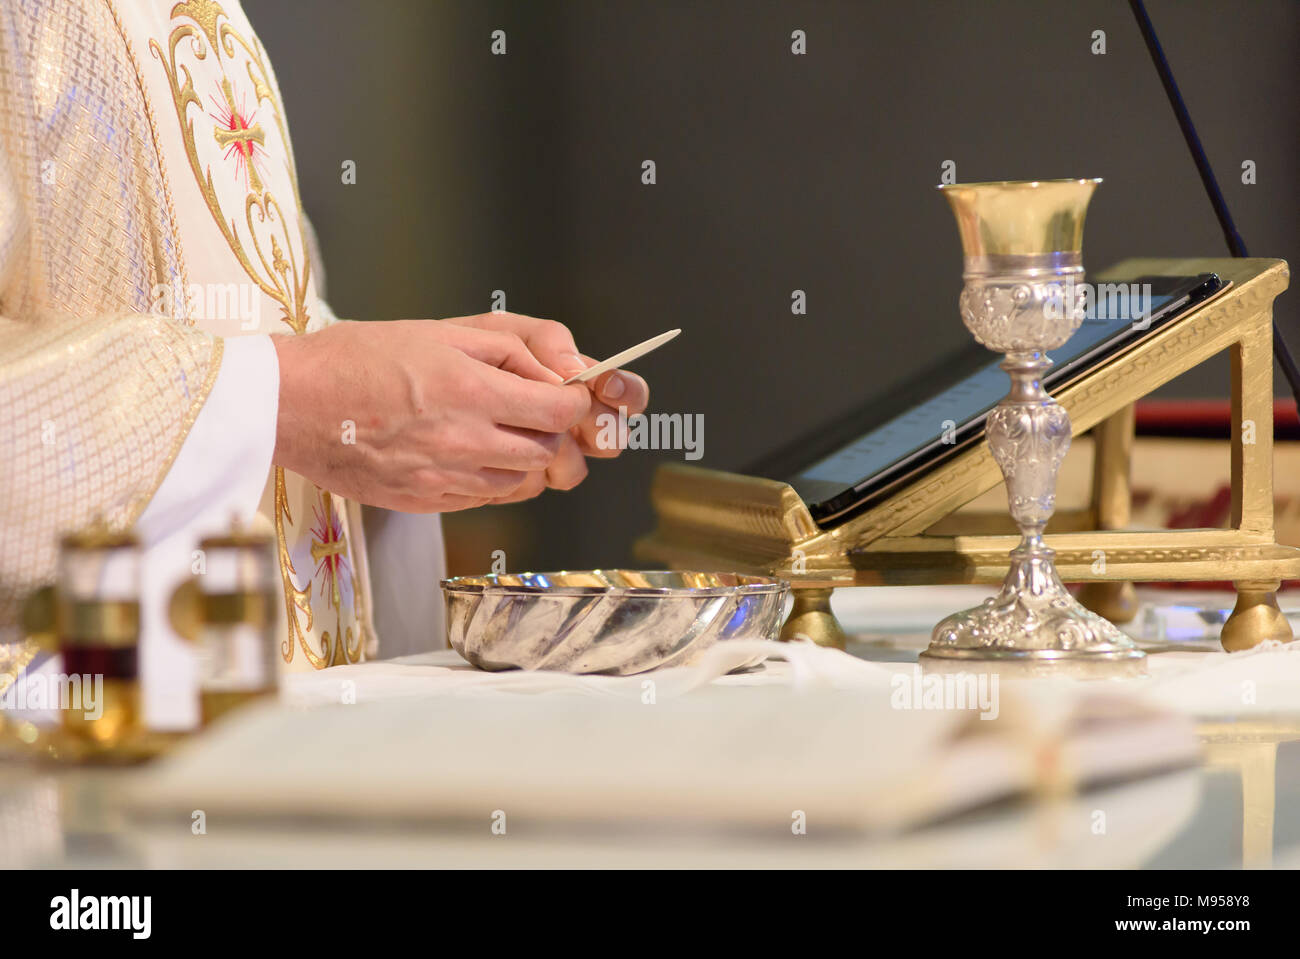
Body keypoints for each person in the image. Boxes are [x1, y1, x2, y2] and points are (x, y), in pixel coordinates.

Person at [0, 0, 648, 725]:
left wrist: (434, 410)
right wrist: (293, 398)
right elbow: (278, 383)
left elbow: (263, 331)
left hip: (274, 740)